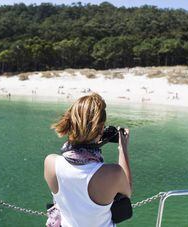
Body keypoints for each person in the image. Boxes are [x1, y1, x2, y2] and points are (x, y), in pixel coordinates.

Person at [44, 92, 132, 227]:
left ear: (70, 123)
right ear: (101, 129)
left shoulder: (50, 163)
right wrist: (123, 148)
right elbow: (127, 192)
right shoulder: (113, 173)